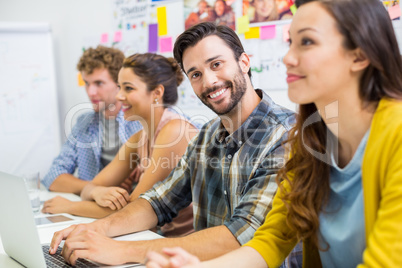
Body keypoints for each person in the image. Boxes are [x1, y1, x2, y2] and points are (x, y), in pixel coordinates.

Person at [145, 0, 402, 267]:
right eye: (291, 43)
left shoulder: (395, 135)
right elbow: (272, 240)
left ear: (359, 55)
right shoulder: (311, 139)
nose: (288, 58)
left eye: (308, 42)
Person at [48, 22, 300, 267]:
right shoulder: (208, 135)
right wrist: (93, 230)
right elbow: (159, 201)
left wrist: (121, 250)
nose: (209, 82)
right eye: (196, 74)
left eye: (216, 64)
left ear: (244, 62)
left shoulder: (287, 135)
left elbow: (242, 235)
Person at [42, 53, 199, 237]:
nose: (119, 96)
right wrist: (98, 191)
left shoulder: (175, 131)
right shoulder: (139, 138)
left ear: (156, 93)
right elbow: (90, 188)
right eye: (120, 88)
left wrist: (70, 206)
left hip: (186, 247)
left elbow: (133, 211)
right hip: (155, 237)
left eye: (128, 88)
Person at [41, 46, 142, 194]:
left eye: (99, 83)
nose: (90, 92)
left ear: (119, 84)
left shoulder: (143, 119)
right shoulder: (84, 124)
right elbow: (53, 176)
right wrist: (98, 188)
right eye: (87, 83)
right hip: (98, 206)